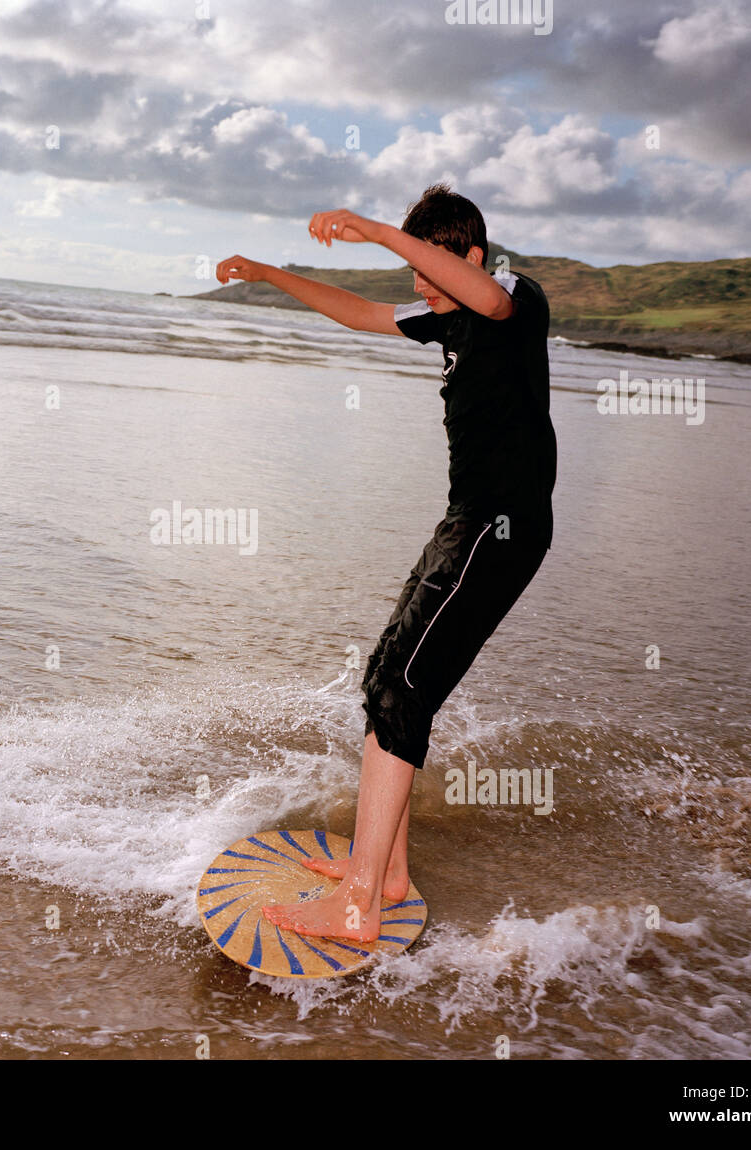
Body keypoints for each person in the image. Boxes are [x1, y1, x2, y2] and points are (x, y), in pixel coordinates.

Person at [213, 184, 557, 942]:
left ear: (469, 255)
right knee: (385, 681)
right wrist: (273, 273)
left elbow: (488, 300)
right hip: (466, 524)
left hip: (502, 530)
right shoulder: (448, 312)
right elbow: (361, 313)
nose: (421, 291)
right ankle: (387, 870)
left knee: (405, 685)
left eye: (432, 270)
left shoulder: (510, 297)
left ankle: (360, 904)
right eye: (415, 275)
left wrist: (372, 231)